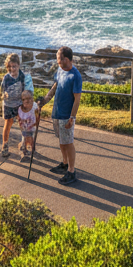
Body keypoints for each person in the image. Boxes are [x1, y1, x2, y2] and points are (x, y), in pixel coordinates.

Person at [38, 46, 83, 185]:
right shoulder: (60, 70)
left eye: (59, 59)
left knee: (68, 143)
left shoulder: (75, 76)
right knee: (61, 141)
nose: (57, 61)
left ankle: (71, 171)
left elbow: (77, 99)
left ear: (67, 59)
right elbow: (55, 87)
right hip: (56, 113)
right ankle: (64, 163)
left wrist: (72, 118)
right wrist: (44, 101)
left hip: (66, 116)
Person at [0, 53, 34, 157]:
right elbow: (2, 91)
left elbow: (26, 89)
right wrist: (4, 95)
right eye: (9, 67)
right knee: (8, 124)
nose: (12, 69)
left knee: (23, 124)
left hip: (19, 104)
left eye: (14, 66)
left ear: (18, 65)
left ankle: (23, 144)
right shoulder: (6, 78)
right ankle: (5, 145)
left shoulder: (22, 76)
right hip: (8, 104)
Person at [17, 88, 41, 162]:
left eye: (29, 98)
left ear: (33, 99)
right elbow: (18, 118)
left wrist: (36, 123)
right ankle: (23, 154)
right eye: (25, 99)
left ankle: (32, 148)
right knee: (25, 139)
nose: (27, 101)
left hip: (32, 126)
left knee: (31, 139)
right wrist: (21, 125)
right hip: (24, 128)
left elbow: (38, 116)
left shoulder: (35, 106)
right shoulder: (20, 108)